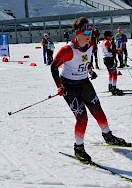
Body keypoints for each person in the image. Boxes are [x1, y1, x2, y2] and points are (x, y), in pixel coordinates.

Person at [50, 17, 126, 163]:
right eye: (85, 32)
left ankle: (108, 136)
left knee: (98, 111)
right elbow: (54, 67)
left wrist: (90, 70)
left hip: (84, 83)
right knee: (82, 117)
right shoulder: (67, 50)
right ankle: (78, 148)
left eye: (90, 31)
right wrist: (59, 86)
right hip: (69, 87)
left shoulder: (90, 44)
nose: (89, 35)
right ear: (77, 33)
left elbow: (86, 59)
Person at [102, 30, 122, 95]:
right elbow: (109, 50)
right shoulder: (107, 42)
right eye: (110, 36)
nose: (111, 37)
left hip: (106, 59)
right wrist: (117, 51)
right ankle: (114, 87)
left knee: (110, 73)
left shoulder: (104, 41)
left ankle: (110, 85)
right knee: (114, 73)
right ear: (107, 36)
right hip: (109, 59)